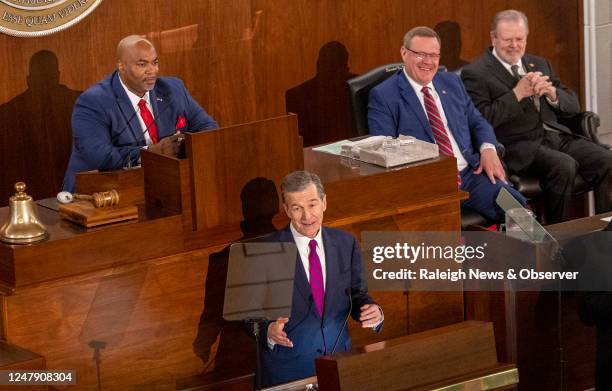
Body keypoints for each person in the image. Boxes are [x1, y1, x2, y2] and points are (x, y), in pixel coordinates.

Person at [461, 9, 612, 224]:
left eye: (520, 39)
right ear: (494, 37)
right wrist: (517, 94)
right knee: (564, 166)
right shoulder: (475, 73)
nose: (514, 45)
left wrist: (553, 95)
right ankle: (556, 237)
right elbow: (483, 119)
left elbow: (572, 104)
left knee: (606, 160)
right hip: (518, 145)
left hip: (555, 136)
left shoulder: (539, 63)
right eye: (507, 39)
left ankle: (603, 233)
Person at [368, 26, 525, 223]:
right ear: (404, 53)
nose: (428, 62)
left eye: (434, 55)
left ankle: (543, 253)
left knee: (516, 210)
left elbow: (477, 121)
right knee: (439, 236)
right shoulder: (384, 95)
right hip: (427, 186)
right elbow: (383, 149)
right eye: (420, 54)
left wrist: (488, 148)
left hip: (470, 175)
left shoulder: (451, 83)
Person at [260, 170, 383, 387]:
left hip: (339, 365)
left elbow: (357, 295)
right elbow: (246, 315)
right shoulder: (266, 251)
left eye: (312, 205)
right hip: (290, 371)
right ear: (286, 209)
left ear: (324, 202)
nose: (307, 216)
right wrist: (268, 331)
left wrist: (372, 311)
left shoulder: (346, 243)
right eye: (297, 208)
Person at [62, 35, 218, 191]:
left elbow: (209, 130)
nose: (152, 71)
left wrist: (183, 144)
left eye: (155, 63)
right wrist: (151, 153)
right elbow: (99, 157)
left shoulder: (173, 89)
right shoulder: (93, 102)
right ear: (121, 66)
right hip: (99, 192)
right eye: (142, 64)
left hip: (160, 186)